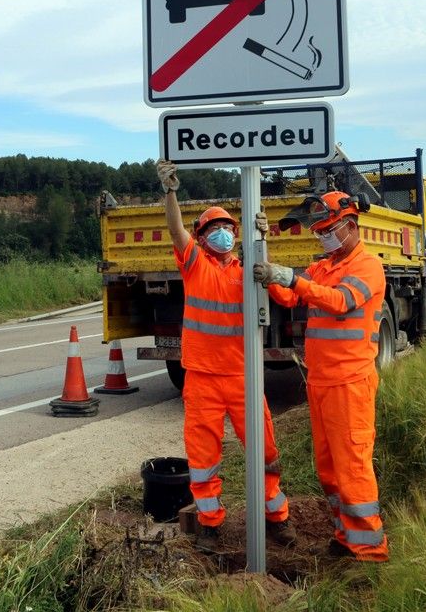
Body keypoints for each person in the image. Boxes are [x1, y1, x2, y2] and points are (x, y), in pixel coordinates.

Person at [155, 158, 296, 553]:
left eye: (226, 228)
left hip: (243, 375)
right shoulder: (195, 264)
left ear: (237, 234)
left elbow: (281, 291)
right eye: (212, 229)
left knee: (265, 451)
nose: (220, 234)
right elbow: (176, 229)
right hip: (201, 377)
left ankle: (276, 518)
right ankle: (210, 524)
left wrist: (264, 242)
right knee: (203, 458)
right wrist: (170, 192)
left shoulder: (248, 267)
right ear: (201, 238)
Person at [252, 191, 390, 562]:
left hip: (350, 383)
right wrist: (264, 257)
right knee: (329, 468)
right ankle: (346, 536)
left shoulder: (368, 267)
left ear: (351, 226)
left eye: (328, 229)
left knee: (352, 467)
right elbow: (287, 297)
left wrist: (291, 279)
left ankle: (370, 551)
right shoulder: (324, 266)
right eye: (319, 231)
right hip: (322, 382)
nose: (323, 236)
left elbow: (340, 301)